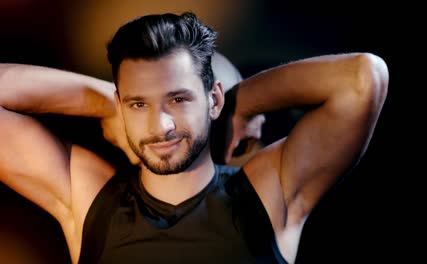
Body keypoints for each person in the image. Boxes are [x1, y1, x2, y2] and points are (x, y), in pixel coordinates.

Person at [0, 12, 388, 264]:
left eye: (179, 99)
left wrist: (242, 103)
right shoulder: (89, 200)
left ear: (213, 98)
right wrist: (105, 103)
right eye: (139, 105)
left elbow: (361, 78)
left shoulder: (268, 195)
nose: (162, 125)